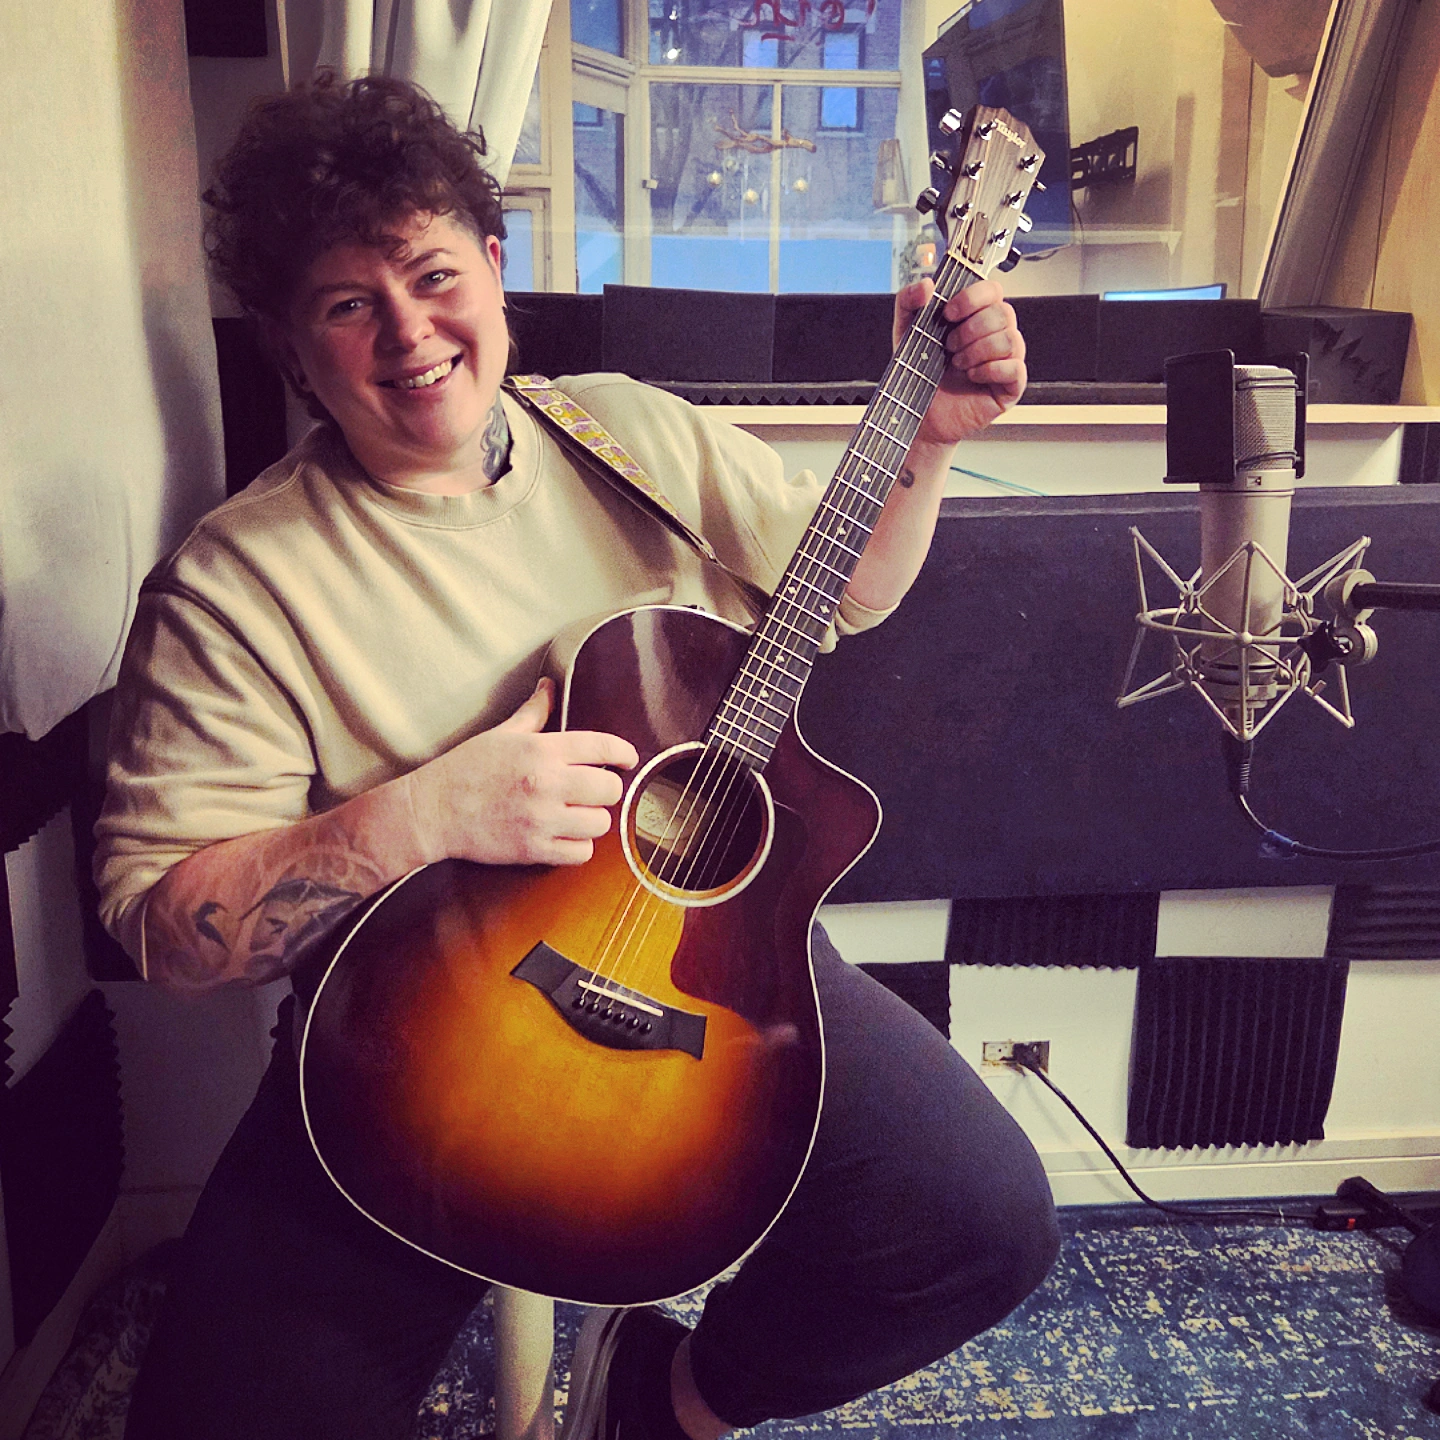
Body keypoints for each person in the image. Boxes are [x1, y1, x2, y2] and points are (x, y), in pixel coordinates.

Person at [95, 72, 1059, 1440]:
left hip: (712, 958)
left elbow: (833, 591)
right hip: (410, 1056)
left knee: (980, 1222)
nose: (410, 334)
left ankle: (653, 1405)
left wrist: (932, 445)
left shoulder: (625, 428)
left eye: (433, 276)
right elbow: (168, 932)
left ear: (494, 269)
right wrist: (421, 817)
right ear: (293, 351)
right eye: (346, 305)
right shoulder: (237, 582)